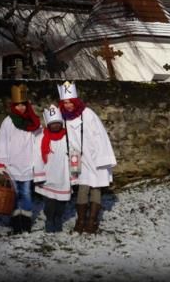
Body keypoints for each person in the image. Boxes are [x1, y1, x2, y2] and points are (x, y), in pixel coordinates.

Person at [58, 80, 116, 234]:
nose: (68, 105)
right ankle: (81, 219)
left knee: (96, 186)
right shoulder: (63, 117)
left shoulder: (88, 113)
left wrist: (101, 157)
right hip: (77, 157)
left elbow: (100, 135)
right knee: (83, 187)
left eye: (70, 102)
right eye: (65, 103)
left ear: (75, 101)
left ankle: (92, 220)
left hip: (93, 155)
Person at [0, 83, 41, 234]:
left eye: (23, 105)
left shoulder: (32, 122)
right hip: (12, 165)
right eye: (18, 105)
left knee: (26, 194)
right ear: (14, 106)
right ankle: (16, 224)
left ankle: (26, 224)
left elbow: (39, 141)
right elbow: (2, 142)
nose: (21, 108)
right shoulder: (8, 122)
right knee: (14, 196)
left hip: (28, 165)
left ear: (27, 105)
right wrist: (0, 163)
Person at [33, 104, 75, 233]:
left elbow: (75, 153)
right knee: (50, 203)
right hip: (48, 176)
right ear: (48, 124)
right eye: (53, 123)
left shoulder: (68, 137)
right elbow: (37, 156)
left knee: (62, 203)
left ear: (61, 123)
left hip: (64, 176)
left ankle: (58, 218)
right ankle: (50, 220)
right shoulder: (41, 137)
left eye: (58, 123)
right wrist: (39, 175)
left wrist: (75, 175)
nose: (55, 125)